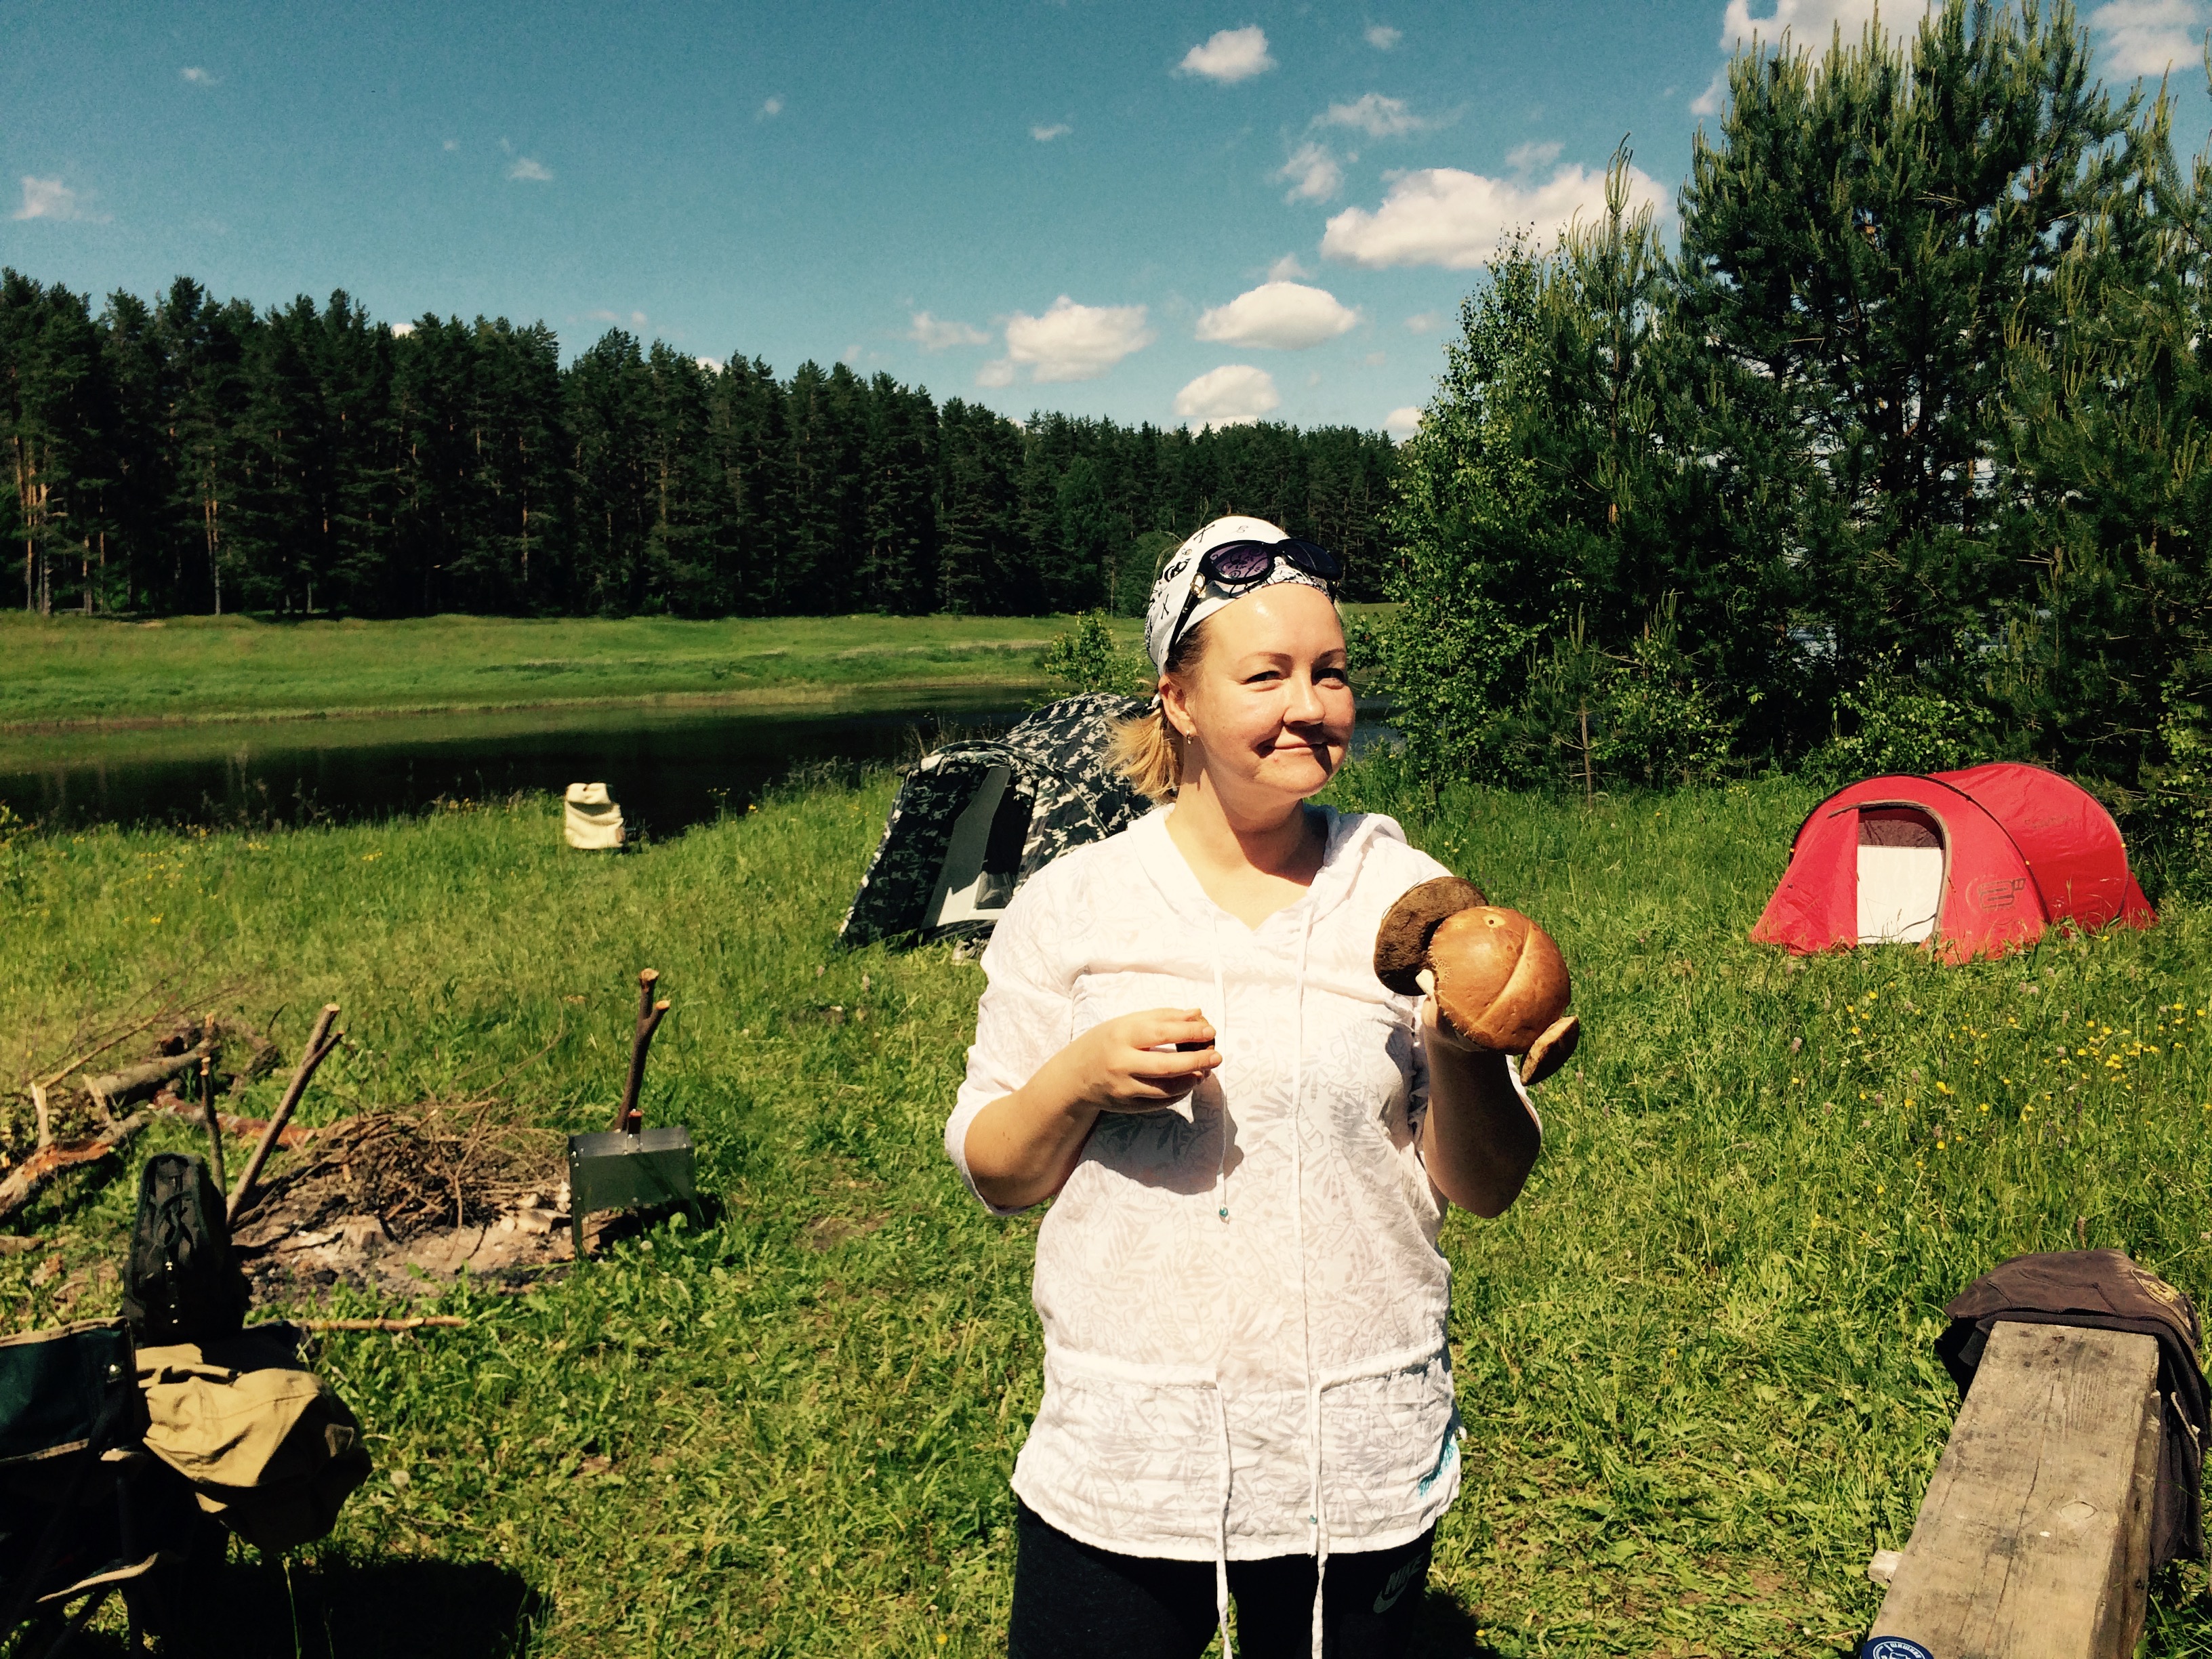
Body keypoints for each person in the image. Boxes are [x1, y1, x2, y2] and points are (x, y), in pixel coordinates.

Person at [945, 516, 1544, 1659]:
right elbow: (998, 1172)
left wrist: (1465, 1044)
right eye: (1266, 675)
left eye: (1332, 672)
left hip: (1354, 1442)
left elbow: (1490, 1185)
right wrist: (1079, 1078)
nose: (1311, 706)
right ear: (1176, 699)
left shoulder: (1412, 901)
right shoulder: (1074, 905)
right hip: (1129, 1451)